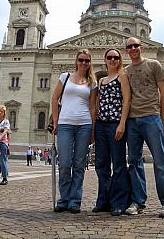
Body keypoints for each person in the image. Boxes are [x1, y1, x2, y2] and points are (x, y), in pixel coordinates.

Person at [124, 37, 164, 217]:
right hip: (132, 120)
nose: (133, 48)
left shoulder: (154, 64)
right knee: (134, 162)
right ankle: (138, 202)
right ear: (126, 50)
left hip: (152, 118)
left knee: (161, 162)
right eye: (129, 46)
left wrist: (162, 118)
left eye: (135, 45)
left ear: (142, 47)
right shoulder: (126, 71)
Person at [51, 49, 97, 213]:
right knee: (64, 163)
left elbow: (92, 107)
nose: (83, 63)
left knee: (78, 165)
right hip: (65, 124)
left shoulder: (92, 81)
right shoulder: (65, 77)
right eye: (81, 60)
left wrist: (93, 129)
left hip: (84, 125)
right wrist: (55, 121)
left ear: (89, 63)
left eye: (86, 60)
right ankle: (63, 199)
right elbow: (54, 98)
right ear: (76, 61)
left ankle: (74, 201)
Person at [93, 48, 131, 216]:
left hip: (115, 124)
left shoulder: (123, 76)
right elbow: (97, 104)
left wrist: (122, 124)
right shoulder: (101, 81)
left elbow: (127, 100)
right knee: (101, 165)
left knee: (118, 164)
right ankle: (103, 201)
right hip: (101, 125)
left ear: (120, 59)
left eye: (116, 57)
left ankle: (118, 202)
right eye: (110, 57)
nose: (113, 60)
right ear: (105, 60)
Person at [0, 105, 11, 185]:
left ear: (4, 113)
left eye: (1, 111)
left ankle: (5, 178)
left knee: (2, 160)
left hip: (2, 143)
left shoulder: (6, 121)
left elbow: (6, 131)